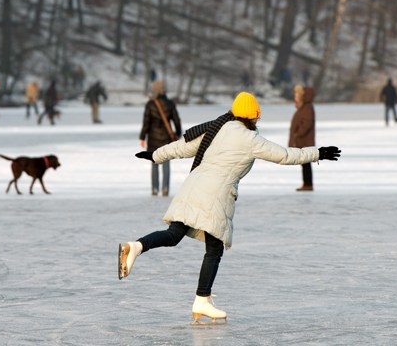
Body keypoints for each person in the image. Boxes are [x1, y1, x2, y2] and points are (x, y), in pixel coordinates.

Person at [120, 92, 341, 323]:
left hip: (193, 187)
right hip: (214, 197)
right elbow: (284, 156)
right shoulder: (250, 139)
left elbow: (183, 147)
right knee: (214, 250)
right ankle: (201, 300)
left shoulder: (218, 128)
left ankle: (137, 246)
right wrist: (318, 152)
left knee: (174, 235)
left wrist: (155, 155)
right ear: (251, 117)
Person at [139, 81, 182, 196]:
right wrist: (178, 134)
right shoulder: (170, 104)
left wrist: (142, 137)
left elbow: (146, 123)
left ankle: (154, 189)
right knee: (166, 163)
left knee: (154, 164)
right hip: (167, 138)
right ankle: (165, 188)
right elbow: (176, 120)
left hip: (153, 138)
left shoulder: (150, 104)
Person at [289, 85, 316, 192]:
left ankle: (308, 185)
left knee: (306, 163)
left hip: (305, 140)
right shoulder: (303, 107)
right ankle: (306, 184)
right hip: (302, 140)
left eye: (297, 94)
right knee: (305, 164)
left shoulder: (307, 107)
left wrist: (298, 134)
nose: (295, 96)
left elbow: (307, 123)